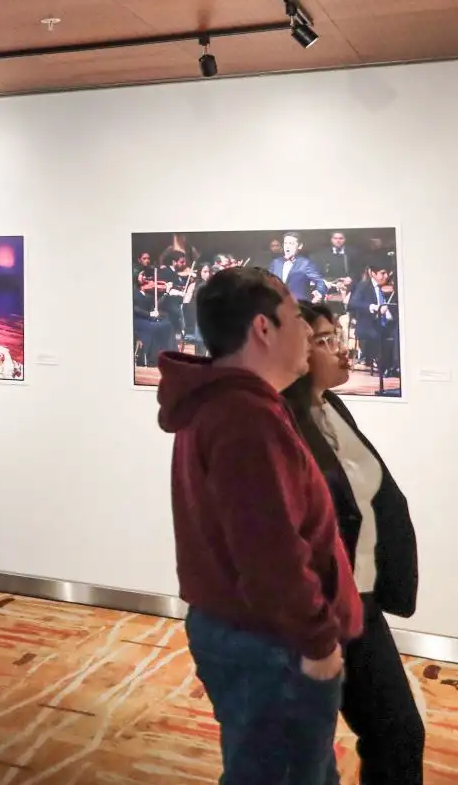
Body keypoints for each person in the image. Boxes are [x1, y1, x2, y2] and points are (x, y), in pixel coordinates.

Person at [158, 266, 361, 784]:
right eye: (295, 316)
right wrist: (317, 642)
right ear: (263, 329)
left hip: (255, 635)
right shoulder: (244, 417)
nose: (305, 332)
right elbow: (269, 554)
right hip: (271, 643)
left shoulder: (230, 404)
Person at [283, 302, 423, 784]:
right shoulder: (283, 423)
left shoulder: (331, 405)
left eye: (337, 334)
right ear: (297, 351)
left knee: (399, 732)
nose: (341, 347)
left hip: (360, 596)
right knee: (311, 752)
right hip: (325, 606)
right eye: (325, 339)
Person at [271, 232, 328, 302]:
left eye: (291, 243)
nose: (287, 246)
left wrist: (319, 292)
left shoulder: (305, 263)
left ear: (299, 246)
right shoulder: (276, 263)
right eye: (285, 243)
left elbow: (320, 282)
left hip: (299, 305)